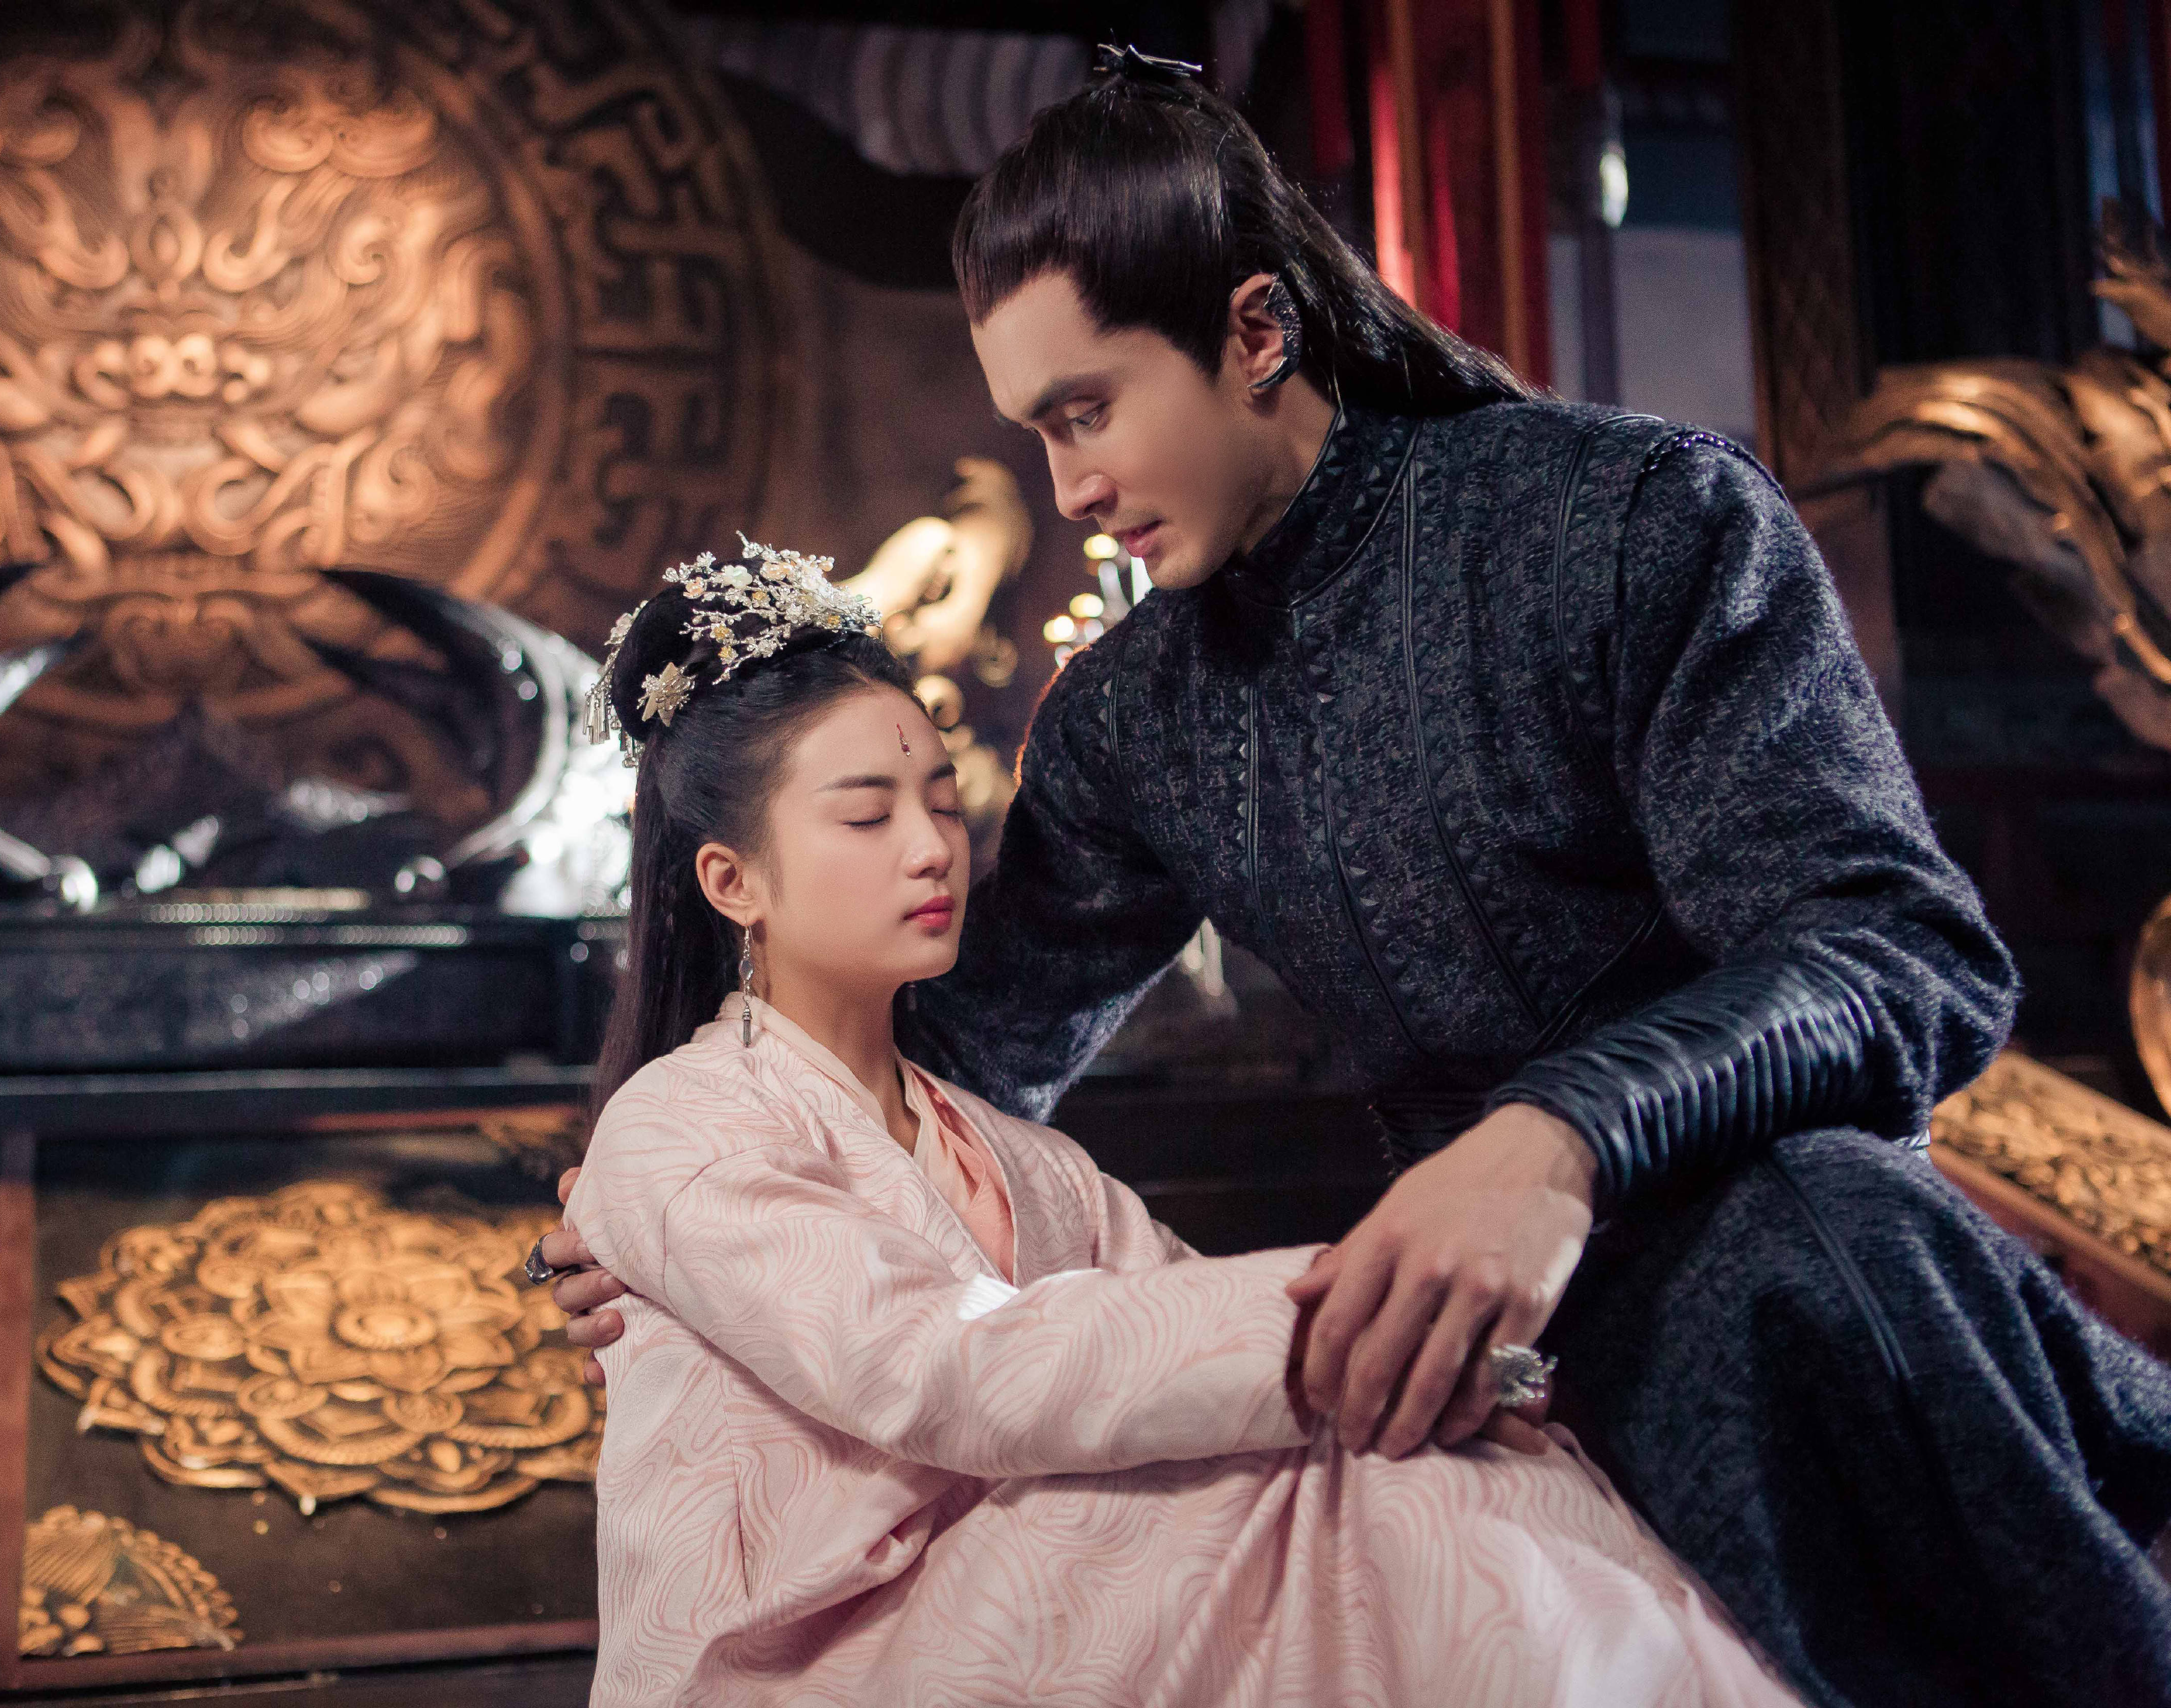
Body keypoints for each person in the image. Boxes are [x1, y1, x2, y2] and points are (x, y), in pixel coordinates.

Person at [543, 56, 2171, 1708]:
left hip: (1772, 1280)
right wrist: (687, 1222)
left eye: (1087, 412)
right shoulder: (1134, 717)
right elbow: (947, 1059)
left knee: (1817, 1289)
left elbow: (1901, 951)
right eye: (1036, 432)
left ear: (1256, 331)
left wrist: (1557, 1139)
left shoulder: (1632, 521)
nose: (1067, 489)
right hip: (1437, 1344)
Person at [554, 540, 1800, 1705]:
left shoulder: (1025, 1159)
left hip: (1028, 1576)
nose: (933, 848)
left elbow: (1177, 1319)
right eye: (868, 815)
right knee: (1377, 1495)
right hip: (816, 1643)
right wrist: (1361, 1325)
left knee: (1438, 1474)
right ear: (732, 880)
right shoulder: (682, 1123)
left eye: (941, 800)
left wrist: (1396, 1359)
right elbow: (942, 1370)